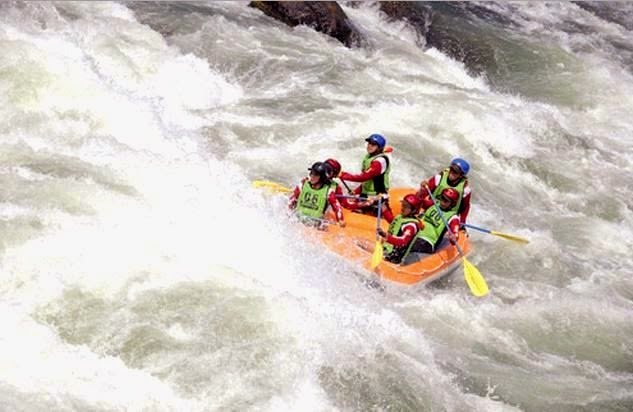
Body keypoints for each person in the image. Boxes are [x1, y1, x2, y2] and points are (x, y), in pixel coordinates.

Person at [338, 134, 393, 220]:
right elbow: (368, 182)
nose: (370, 146)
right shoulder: (368, 157)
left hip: (377, 197)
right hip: (365, 195)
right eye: (369, 143)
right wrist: (356, 191)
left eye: (373, 144)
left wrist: (343, 175)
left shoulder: (379, 161)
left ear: (379, 148)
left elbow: (364, 177)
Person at [289, 161, 345, 227]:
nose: (312, 176)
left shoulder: (329, 191)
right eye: (311, 173)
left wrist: (340, 220)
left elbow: (337, 208)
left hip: (315, 224)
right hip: (298, 220)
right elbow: (292, 200)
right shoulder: (303, 184)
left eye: (315, 174)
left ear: (322, 177)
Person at [415, 157, 471, 224]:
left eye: (455, 172)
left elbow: (465, 208)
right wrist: (422, 190)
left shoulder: (465, 189)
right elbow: (424, 194)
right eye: (451, 169)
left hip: (448, 216)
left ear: (461, 175)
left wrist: (462, 221)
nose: (452, 172)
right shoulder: (438, 178)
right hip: (432, 208)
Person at [409, 187, 462, 254]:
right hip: (415, 233)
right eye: (442, 198)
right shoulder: (434, 204)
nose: (442, 202)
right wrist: (421, 192)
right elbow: (419, 202)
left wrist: (454, 237)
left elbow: (455, 232)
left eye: (446, 201)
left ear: (452, 204)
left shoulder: (453, 217)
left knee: (410, 246)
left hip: (427, 241)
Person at [376, 194, 424, 264]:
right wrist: (383, 204)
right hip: (385, 250)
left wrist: (385, 236)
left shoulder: (411, 226)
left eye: (406, 206)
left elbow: (403, 241)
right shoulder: (401, 217)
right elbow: (392, 221)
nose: (403, 208)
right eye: (403, 204)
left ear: (414, 210)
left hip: (392, 257)